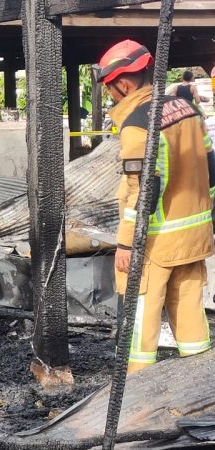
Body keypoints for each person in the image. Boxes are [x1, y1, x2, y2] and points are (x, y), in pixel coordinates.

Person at [95, 40, 214, 374]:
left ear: (124, 83)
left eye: (110, 89)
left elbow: (143, 190)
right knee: (191, 319)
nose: (111, 96)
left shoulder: (137, 124)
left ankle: (135, 399)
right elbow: (211, 165)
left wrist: (126, 242)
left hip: (155, 243)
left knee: (140, 327)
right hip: (194, 236)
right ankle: (199, 388)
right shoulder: (189, 109)